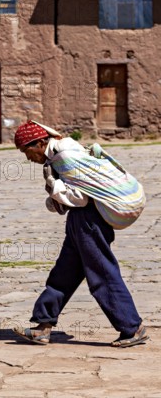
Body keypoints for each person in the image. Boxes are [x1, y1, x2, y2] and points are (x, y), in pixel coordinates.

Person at [12, 120, 149, 348]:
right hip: (80, 220)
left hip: (90, 221)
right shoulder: (60, 154)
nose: (27, 157)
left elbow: (80, 197)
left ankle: (132, 327)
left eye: (27, 150)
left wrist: (54, 190)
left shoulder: (64, 157)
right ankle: (43, 326)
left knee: (101, 274)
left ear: (39, 142)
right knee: (64, 273)